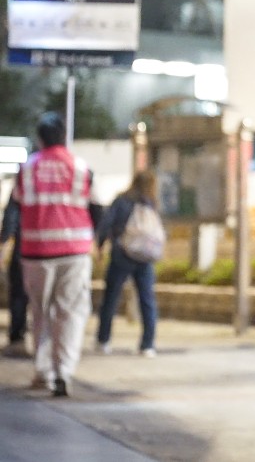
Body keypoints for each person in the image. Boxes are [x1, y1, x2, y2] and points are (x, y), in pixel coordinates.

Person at [10, 112, 102, 397]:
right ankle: (64, 371)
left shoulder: (27, 168)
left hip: (35, 252)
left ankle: (43, 372)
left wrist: (6, 241)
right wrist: (95, 240)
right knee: (71, 312)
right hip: (74, 252)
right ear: (64, 136)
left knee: (41, 312)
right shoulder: (80, 167)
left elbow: (12, 209)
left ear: (39, 138)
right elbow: (98, 208)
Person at [95, 170, 161, 357]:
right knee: (147, 300)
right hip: (145, 257)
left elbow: (106, 223)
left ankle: (103, 340)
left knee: (111, 298)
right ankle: (147, 344)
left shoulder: (122, 200)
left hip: (121, 254)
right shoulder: (150, 202)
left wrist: (100, 245)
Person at [1, 190, 31, 358]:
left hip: (26, 245)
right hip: (62, 248)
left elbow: (11, 214)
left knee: (19, 294)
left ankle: (17, 338)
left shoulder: (26, 177)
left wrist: (5, 240)